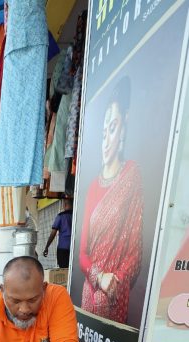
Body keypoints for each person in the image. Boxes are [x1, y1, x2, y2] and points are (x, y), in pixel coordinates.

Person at [79, 76, 143, 324]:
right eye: (103, 131)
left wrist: (114, 280)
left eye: (113, 128)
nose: (106, 140)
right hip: (90, 292)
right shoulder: (93, 186)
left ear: (124, 127)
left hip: (116, 293)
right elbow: (83, 253)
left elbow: (135, 251)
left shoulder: (131, 176)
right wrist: (99, 276)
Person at [43, 198, 73, 268]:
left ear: (65, 204)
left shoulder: (61, 216)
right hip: (75, 248)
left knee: (63, 270)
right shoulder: (77, 216)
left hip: (63, 248)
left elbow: (53, 233)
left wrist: (47, 247)